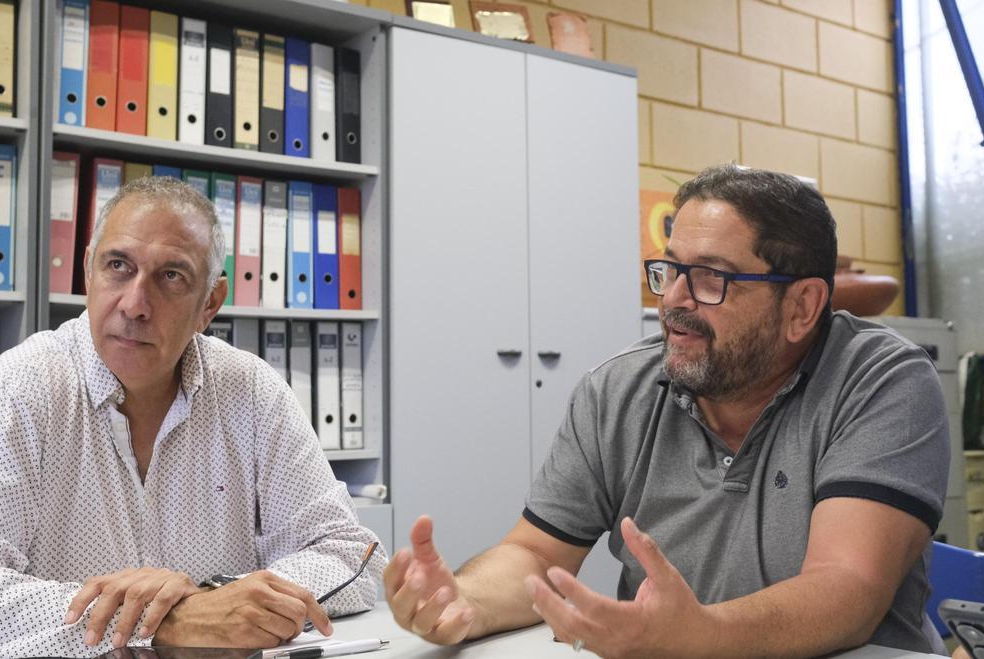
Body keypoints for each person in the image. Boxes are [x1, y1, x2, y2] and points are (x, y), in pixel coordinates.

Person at [383, 164, 950, 656]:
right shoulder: (617, 391)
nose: (673, 299)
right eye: (670, 269)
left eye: (710, 278)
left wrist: (702, 636)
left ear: (802, 306)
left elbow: (846, 590)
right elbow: (533, 555)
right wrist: (463, 600)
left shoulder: (880, 381)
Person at [0, 177, 384, 658]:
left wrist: (219, 597)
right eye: (118, 266)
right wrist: (169, 620)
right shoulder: (17, 390)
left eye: (171, 277)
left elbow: (351, 555)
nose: (134, 305)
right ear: (88, 272)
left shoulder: (251, 391)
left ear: (209, 304)